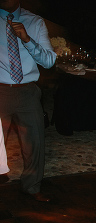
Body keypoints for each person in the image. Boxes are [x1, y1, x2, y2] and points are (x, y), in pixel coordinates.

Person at [0, 0, 56, 202]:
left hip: (28, 92)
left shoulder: (34, 21)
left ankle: (32, 186)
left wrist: (26, 39)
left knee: (34, 142)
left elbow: (49, 61)